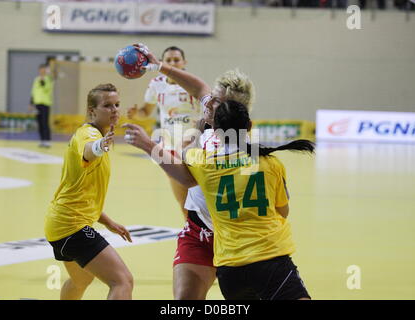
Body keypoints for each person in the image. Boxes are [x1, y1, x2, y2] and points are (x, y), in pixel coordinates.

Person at [125, 99, 314, 300]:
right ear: (249, 126)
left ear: (214, 130)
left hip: (230, 269)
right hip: (270, 259)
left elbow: (184, 152)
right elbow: (283, 212)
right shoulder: (271, 163)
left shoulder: (205, 163)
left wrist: (195, 128)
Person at [125, 43, 254, 300]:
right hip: (199, 231)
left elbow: (187, 176)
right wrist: (157, 65)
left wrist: (153, 146)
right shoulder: (213, 118)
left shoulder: (230, 147)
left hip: (232, 235)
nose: (207, 100)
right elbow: (199, 88)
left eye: (215, 100)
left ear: (228, 110)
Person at [44, 83, 133, 300]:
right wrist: (101, 145)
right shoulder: (88, 134)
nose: (114, 110)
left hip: (60, 224)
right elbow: (88, 150)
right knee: (122, 281)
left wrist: (108, 222)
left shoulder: (95, 135)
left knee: (81, 280)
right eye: (107, 105)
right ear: (92, 111)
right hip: (71, 227)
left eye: (117, 105)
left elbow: (84, 192)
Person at [127, 46, 202, 221]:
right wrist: (136, 113)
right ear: (162, 62)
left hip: (194, 149)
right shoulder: (156, 85)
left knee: (200, 201)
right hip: (170, 149)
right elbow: (146, 111)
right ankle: (193, 238)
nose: (173, 63)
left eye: (176, 59)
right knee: (184, 204)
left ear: (184, 63)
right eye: (168, 60)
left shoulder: (192, 84)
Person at [29, 62, 55, 148]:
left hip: (45, 103)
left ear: (45, 70)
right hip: (37, 104)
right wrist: (31, 103)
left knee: (45, 122)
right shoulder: (36, 79)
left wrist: (43, 79)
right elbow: (33, 91)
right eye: (40, 69)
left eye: (43, 69)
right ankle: (42, 140)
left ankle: (47, 140)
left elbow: (47, 88)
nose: (42, 71)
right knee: (39, 122)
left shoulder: (48, 79)